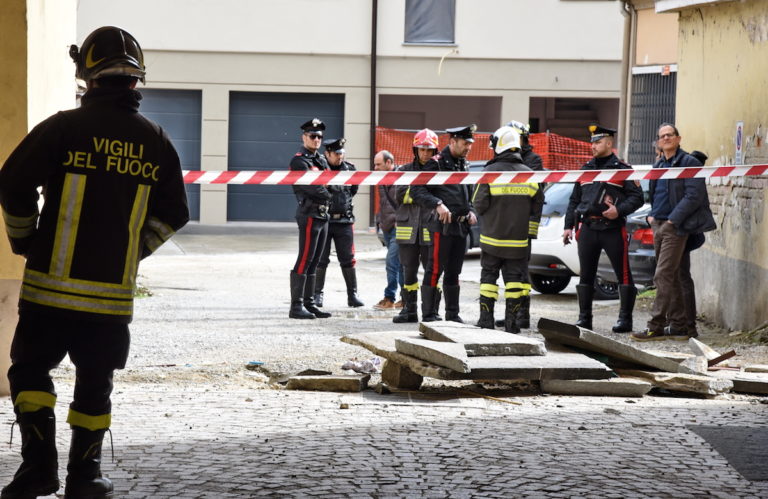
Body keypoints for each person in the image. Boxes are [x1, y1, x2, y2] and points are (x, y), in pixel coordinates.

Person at [0, 26, 189, 499]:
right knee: (94, 384)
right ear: (136, 80)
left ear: (86, 75)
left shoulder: (63, 128)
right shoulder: (156, 141)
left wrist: (25, 240)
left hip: (49, 290)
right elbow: (176, 213)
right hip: (109, 298)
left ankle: (36, 472)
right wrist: (132, 250)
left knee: (30, 372)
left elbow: (12, 185)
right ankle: (85, 478)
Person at [632, 124, 716, 341]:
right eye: (662, 136)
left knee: (663, 274)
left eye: (670, 135)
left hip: (675, 227)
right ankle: (680, 326)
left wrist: (672, 221)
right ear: (659, 141)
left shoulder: (689, 163)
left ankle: (656, 325)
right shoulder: (659, 164)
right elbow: (656, 194)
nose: (666, 138)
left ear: (679, 138)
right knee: (677, 274)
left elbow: (694, 196)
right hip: (658, 224)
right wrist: (652, 216)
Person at [562, 124, 643, 332]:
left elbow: (637, 197)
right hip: (588, 227)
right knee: (585, 275)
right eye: (592, 143)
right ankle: (584, 319)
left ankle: (625, 320)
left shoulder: (623, 169)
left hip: (613, 228)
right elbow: (574, 200)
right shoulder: (586, 169)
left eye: (598, 142)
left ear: (609, 143)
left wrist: (619, 210)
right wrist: (568, 226)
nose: (593, 146)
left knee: (623, 274)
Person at [473, 126, 544, 333]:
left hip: (491, 239)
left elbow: (478, 203)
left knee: (488, 278)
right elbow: (538, 204)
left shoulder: (489, 172)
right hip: (518, 242)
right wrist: (529, 230)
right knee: (514, 281)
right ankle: (512, 325)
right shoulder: (530, 175)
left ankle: (486, 321)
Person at [409, 125, 478, 323]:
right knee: (435, 269)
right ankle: (430, 314)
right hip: (442, 225)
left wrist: (471, 210)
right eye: (465, 144)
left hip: (461, 226)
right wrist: (437, 204)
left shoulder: (464, 164)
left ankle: (452, 314)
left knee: (455, 271)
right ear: (453, 142)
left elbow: (468, 194)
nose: (468, 148)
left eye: (470, 144)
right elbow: (417, 190)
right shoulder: (436, 163)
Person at [496, 120, 544, 329]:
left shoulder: (532, 161)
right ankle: (513, 313)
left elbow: (536, 196)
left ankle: (522, 315)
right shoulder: (505, 159)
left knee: (521, 272)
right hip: (507, 223)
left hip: (524, 225)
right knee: (510, 274)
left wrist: (530, 229)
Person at [392, 130, 439, 323]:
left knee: (432, 270)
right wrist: (425, 196)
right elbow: (400, 196)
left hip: (429, 226)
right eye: (422, 149)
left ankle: (431, 311)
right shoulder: (405, 169)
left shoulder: (439, 171)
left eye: (429, 150)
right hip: (408, 228)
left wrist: (419, 194)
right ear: (415, 149)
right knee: (408, 270)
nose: (425, 154)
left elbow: (441, 194)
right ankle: (409, 310)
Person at [288, 118, 333, 320]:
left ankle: (309, 303)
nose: (317, 140)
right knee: (305, 259)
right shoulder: (299, 161)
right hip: (309, 214)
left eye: (319, 137)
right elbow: (313, 187)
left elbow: (332, 181)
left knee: (315, 261)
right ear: (304, 137)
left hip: (323, 215)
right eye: (313, 136)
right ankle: (296, 306)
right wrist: (330, 194)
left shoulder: (321, 160)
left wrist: (329, 192)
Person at [313, 138, 364, 308]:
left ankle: (352, 295)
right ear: (327, 153)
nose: (339, 157)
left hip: (344, 221)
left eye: (341, 153)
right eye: (336, 154)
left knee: (348, 259)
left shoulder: (350, 169)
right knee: (321, 259)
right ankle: (317, 295)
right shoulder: (320, 168)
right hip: (325, 220)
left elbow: (352, 191)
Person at [372, 150, 404, 311]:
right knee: (399, 264)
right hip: (386, 227)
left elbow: (406, 202)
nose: (375, 168)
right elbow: (383, 203)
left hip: (399, 227)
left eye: (378, 164)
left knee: (392, 261)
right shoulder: (381, 179)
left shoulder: (402, 177)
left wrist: (400, 220)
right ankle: (406, 298)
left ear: (389, 163)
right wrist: (378, 221)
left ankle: (389, 297)